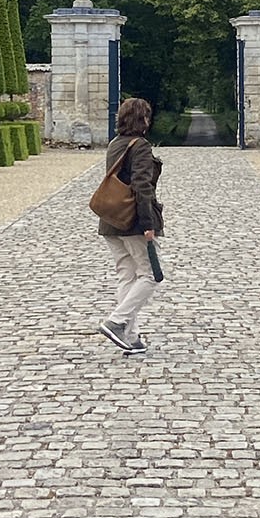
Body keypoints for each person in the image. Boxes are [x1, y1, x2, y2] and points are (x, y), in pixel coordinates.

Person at [97, 97, 163, 357]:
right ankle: (116, 321)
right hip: (134, 223)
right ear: (143, 120)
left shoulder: (115, 144)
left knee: (126, 276)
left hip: (111, 221)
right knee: (151, 276)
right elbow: (141, 187)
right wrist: (148, 225)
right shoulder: (141, 146)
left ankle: (130, 336)